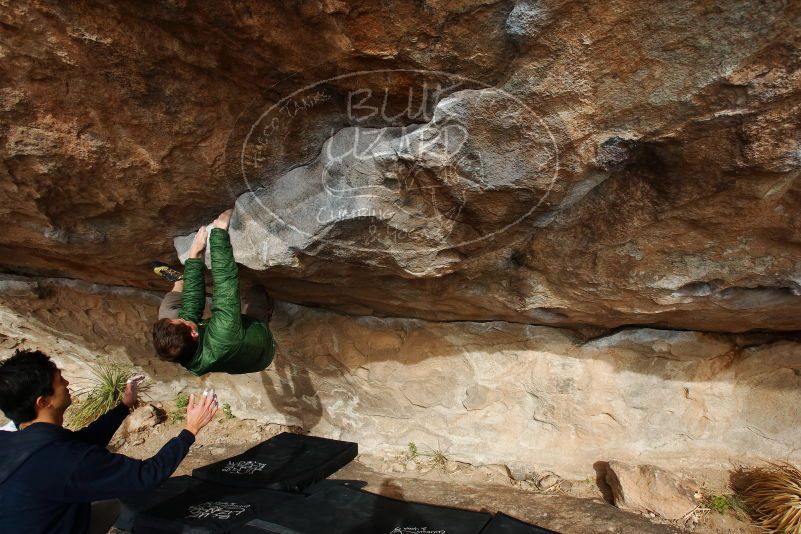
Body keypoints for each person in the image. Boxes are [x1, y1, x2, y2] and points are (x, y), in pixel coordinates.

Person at [0, 348, 218, 534]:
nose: (66, 382)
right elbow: (147, 474)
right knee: (115, 502)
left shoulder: (13, 440)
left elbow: (84, 440)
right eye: (59, 381)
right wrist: (191, 428)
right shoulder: (65, 460)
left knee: (109, 504)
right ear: (44, 401)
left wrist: (124, 406)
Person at [151, 208, 276, 376]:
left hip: (226, 343)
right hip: (262, 350)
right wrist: (219, 234)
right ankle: (266, 316)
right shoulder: (223, 334)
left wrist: (194, 257)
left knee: (168, 313)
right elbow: (226, 286)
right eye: (182, 321)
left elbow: (190, 309)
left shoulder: (184, 349)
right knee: (256, 293)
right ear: (194, 333)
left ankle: (180, 280)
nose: (183, 317)